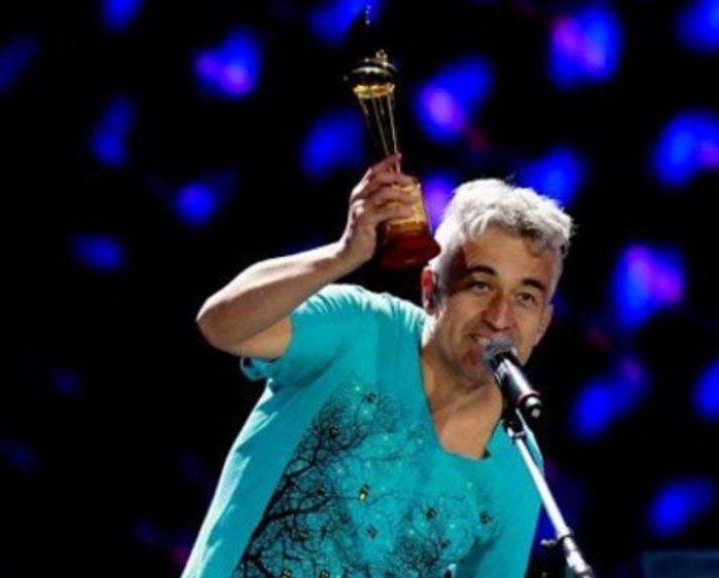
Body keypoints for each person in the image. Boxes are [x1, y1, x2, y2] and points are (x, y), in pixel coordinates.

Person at [182, 153, 574, 578]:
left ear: (542, 325)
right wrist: (342, 255)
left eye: (525, 298)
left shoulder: (518, 464)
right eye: (480, 285)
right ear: (431, 290)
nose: (499, 317)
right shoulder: (360, 327)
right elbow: (220, 325)